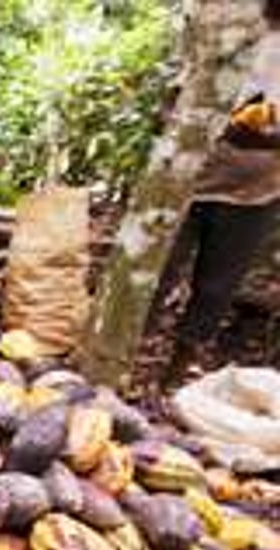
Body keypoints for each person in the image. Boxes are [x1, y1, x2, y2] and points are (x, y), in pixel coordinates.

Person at [165, 0, 280, 382]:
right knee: (159, 271)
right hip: (189, 177)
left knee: (216, 285)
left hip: (256, 190)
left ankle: (176, 371)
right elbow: (181, 88)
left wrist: (264, 133)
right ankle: (118, 353)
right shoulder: (233, 22)